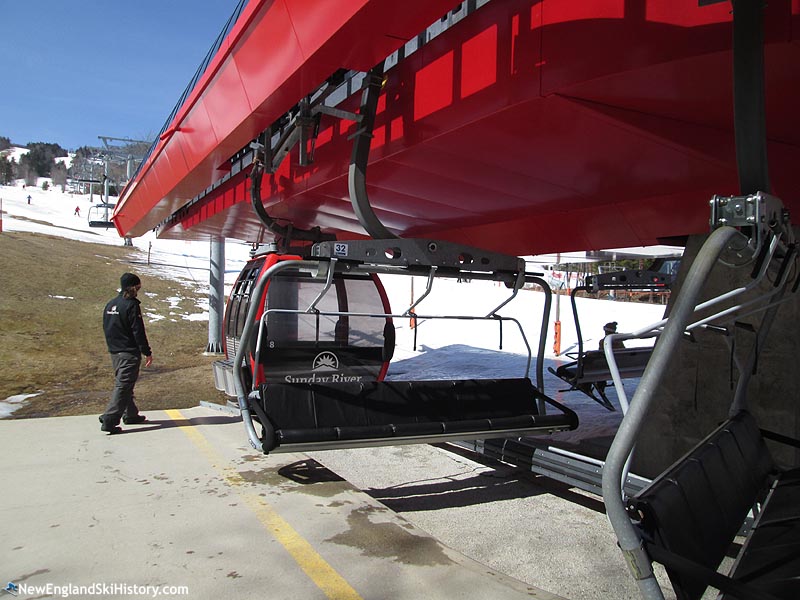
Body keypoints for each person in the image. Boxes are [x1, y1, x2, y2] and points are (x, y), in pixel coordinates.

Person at [99, 273, 153, 434]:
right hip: (128, 353)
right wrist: (146, 351)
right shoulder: (131, 305)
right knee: (123, 385)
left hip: (115, 352)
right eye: (138, 287)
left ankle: (130, 414)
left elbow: (107, 327)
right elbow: (138, 331)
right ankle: (110, 418)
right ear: (132, 287)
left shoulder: (111, 305)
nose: (139, 290)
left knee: (125, 383)